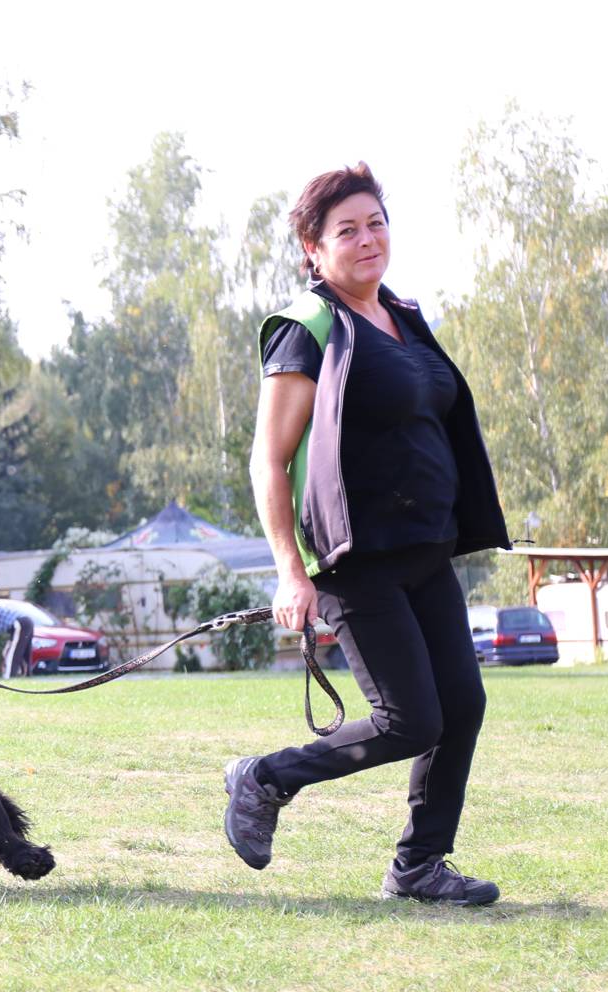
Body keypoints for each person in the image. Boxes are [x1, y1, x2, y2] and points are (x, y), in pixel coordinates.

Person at [222, 163, 512, 905]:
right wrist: (291, 572)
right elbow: (268, 459)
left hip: (427, 552)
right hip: (357, 563)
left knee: (462, 707)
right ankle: (266, 777)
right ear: (314, 250)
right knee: (409, 721)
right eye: (346, 230)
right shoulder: (308, 328)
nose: (367, 239)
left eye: (375, 223)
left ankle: (419, 866)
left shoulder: (404, 318)